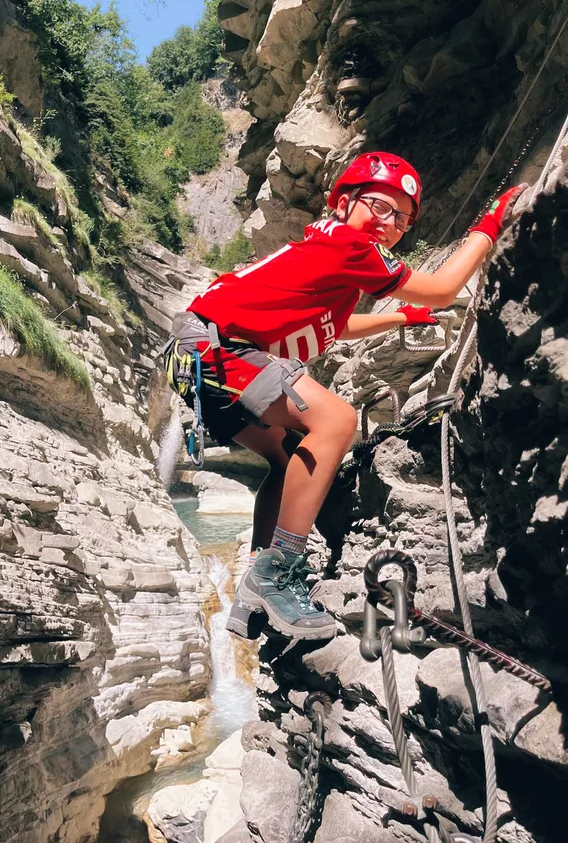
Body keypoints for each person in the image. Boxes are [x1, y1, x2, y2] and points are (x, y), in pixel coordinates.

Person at [163, 151, 525, 641]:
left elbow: (336, 327)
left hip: (199, 350)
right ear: (344, 203)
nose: (389, 223)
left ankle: (251, 593)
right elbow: (441, 290)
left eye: (400, 218)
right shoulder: (350, 245)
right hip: (217, 347)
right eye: (379, 206)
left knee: (286, 455)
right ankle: (276, 574)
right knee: (335, 420)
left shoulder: (329, 255)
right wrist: (491, 222)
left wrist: (400, 317)